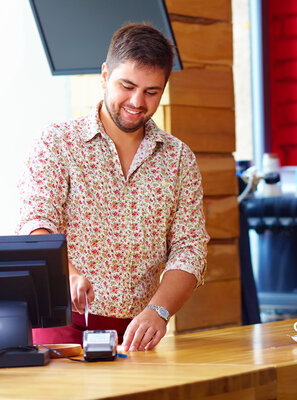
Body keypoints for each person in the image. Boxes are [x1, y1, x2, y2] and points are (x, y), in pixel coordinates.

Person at [17, 23, 209, 352]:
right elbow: (35, 223)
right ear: (105, 75)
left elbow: (190, 250)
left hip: (135, 336)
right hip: (58, 326)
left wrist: (159, 312)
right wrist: (70, 275)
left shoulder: (178, 159)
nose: (137, 101)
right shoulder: (58, 142)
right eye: (127, 85)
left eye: (151, 91)